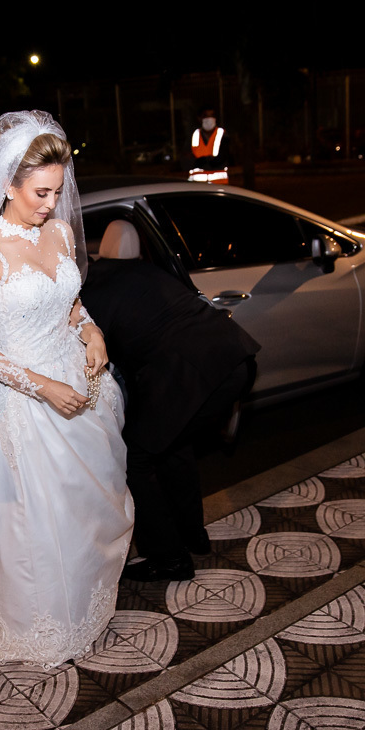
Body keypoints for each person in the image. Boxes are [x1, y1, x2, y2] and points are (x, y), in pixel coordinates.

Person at [0, 111, 134, 667]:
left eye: (57, 191)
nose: (51, 204)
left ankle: (83, 608)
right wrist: (43, 388)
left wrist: (92, 330)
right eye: (39, 192)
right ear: (8, 184)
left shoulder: (59, 232)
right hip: (20, 403)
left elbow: (70, 302)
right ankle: (36, 629)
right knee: (35, 527)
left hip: (77, 387)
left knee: (84, 514)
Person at [82, 220, 259, 581]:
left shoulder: (91, 296)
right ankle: (193, 535)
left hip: (193, 374)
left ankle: (169, 557)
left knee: (136, 458)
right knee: (173, 447)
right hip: (235, 357)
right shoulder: (144, 270)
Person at [187, 106, 231, 184]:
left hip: (219, 185)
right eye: (206, 116)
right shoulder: (194, 135)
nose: (209, 119)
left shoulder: (222, 134)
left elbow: (224, 156)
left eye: (212, 116)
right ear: (199, 118)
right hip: (198, 185)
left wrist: (207, 162)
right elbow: (186, 159)